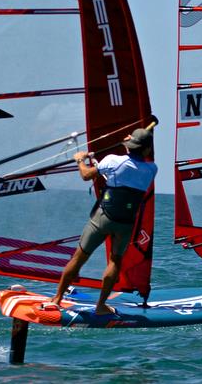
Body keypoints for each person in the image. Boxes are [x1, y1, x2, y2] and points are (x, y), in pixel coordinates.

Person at [49, 128, 157, 315]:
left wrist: (80, 160)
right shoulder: (151, 169)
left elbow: (86, 175)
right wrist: (132, 144)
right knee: (115, 261)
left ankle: (57, 298)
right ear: (147, 150)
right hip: (125, 223)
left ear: (128, 145)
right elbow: (137, 159)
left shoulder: (112, 160)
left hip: (103, 218)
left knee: (79, 257)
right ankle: (100, 306)